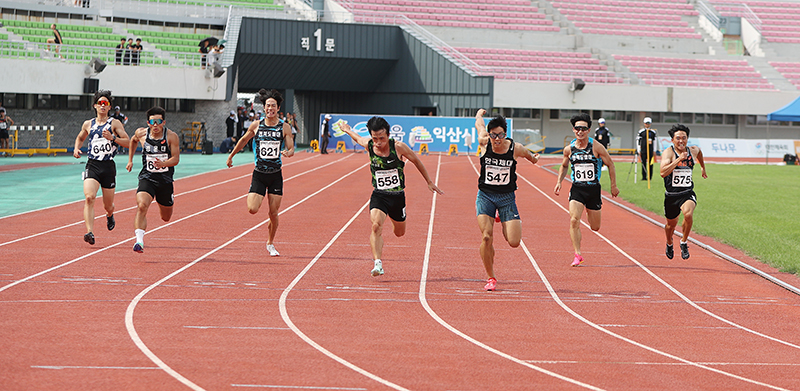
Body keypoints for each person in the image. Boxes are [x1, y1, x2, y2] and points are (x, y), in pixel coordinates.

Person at [339, 116, 443, 277]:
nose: (379, 142)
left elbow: (416, 160)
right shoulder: (369, 145)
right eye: (375, 138)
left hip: (397, 197)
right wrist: (347, 130)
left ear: (388, 135)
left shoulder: (398, 147)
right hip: (379, 195)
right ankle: (378, 264)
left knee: (399, 233)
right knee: (375, 226)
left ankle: (396, 223)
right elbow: (358, 138)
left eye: (382, 138)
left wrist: (429, 181)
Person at [474, 109, 539, 291]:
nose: (497, 139)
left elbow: (528, 154)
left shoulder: (514, 148)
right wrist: (479, 114)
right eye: (493, 135)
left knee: (514, 242)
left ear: (505, 134)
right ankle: (491, 277)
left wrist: (534, 160)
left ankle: (501, 217)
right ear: (489, 135)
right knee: (486, 236)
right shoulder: (484, 143)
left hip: (506, 198)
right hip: (486, 195)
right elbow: (479, 124)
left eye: (500, 135)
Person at [225, 89, 294, 257]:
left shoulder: (284, 127)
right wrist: (232, 155)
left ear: (278, 108)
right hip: (259, 174)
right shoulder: (257, 125)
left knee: (273, 212)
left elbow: (291, 147)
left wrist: (288, 152)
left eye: (273, 106)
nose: (270, 108)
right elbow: (243, 140)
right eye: (268, 105)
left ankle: (270, 243)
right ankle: (259, 197)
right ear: (264, 108)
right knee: (252, 209)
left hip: (276, 174)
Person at [554, 113, 620, 267]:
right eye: (577, 128)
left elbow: (610, 164)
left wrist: (613, 185)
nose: (580, 131)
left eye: (583, 128)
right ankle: (577, 254)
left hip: (593, 190)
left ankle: (590, 213)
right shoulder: (569, 149)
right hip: (577, 189)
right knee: (574, 220)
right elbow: (564, 166)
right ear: (573, 129)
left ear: (588, 130)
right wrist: (559, 182)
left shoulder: (596, 146)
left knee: (595, 227)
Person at [73, 90, 130, 245]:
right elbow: (80, 137)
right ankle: (89, 232)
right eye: (100, 103)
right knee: (89, 197)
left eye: (106, 103)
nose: (103, 106)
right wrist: (77, 148)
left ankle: (110, 214)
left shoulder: (114, 123)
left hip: (108, 166)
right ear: (95, 106)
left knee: (108, 205)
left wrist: (113, 138)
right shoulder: (88, 124)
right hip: (92, 164)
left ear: (109, 106)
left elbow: (128, 141)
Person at [126, 106, 181, 253]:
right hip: (147, 177)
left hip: (165, 181)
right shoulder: (141, 133)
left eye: (158, 122)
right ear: (148, 123)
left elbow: (176, 159)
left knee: (166, 217)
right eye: (152, 122)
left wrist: (164, 164)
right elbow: (133, 140)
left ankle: (164, 201)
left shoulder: (171, 136)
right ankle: (139, 241)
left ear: (163, 122)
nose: (155, 125)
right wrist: (130, 160)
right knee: (142, 205)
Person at [660, 124, 707, 260]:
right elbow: (663, 173)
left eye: (684, 138)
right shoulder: (669, 153)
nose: (681, 141)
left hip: (687, 193)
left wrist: (703, 168)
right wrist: (679, 160)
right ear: (672, 140)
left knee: (688, 214)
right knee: (670, 225)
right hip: (672, 196)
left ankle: (684, 242)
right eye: (678, 138)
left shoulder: (693, 150)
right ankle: (669, 243)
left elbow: (700, 153)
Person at [637, 117, 657, 181]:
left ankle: (650, 177)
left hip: (650, 150)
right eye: (646, 123)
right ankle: (644, 177)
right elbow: (638, 141)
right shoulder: (641, 132)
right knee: (643, 164)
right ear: (644, 123)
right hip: (643, 150)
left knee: (650, 164)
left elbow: (655, 141)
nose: (647, 125)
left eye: (648, 123)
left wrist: (654, 150)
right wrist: (638, 150)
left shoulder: (653, 132)